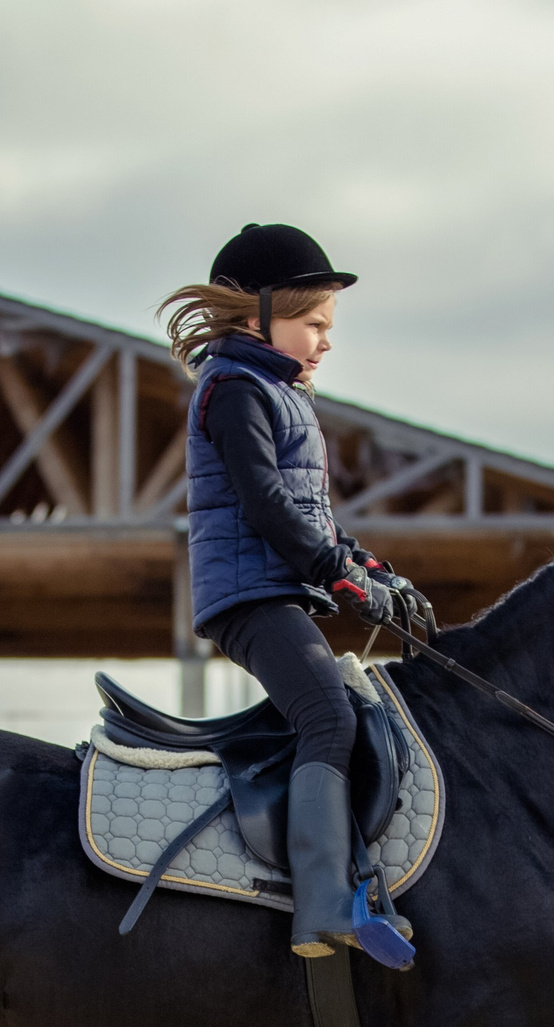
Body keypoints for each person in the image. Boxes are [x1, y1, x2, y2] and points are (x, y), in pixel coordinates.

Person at [160, 223, 432, 961]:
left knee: (354, 712)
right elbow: (267, 506)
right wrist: (334, 573)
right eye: (314, 323)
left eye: (328, 327)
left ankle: (355, 881)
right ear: (256, 314)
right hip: (250, 598)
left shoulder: (281, 395)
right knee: (329, 719)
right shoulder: (232, 390)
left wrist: (370, 569)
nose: (326, 340)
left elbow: (314, 519)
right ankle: (321, 907)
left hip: (279, 588)